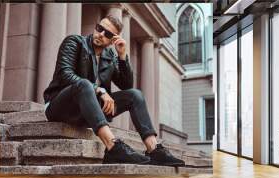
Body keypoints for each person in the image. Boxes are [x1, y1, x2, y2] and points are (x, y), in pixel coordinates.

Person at [43, 15, 185, 167]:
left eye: (108, 34)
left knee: (135, 95)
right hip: (59, 107)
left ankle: (153, 149)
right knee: (84, 84)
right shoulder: (74, 42)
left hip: (86, 112)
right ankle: (113, 147)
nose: (101, 34)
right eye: (100, 28)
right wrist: (99, 90)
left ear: (113, 40)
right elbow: (65, 74)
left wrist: (122, 56)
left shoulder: (109, 55)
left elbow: (126, 85)